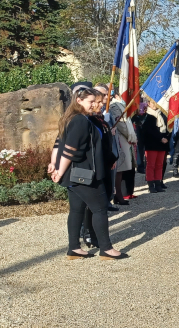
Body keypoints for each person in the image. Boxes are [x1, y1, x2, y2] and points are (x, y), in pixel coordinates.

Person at [52, 87, 126, 260]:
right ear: (79, 101)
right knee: (100, 209)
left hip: (76, 173)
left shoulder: (73, 118)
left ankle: (74, 248)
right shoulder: (80, 120)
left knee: (77, 210)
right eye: (90, 102)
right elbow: (70, 150)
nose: (94, 105)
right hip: (84, 173)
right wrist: (59, 171)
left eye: (95, 101)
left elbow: (58, 144)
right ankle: (106, 249)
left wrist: (55, 166)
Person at [108, 90, 138, 203]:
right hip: (121, 138)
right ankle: (118, 195)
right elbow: (120, 123)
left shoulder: (121, 105)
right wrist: (130, 136)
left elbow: (128, 122)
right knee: (120, 168)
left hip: (127, 139)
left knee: (126, 168)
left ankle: (125, 193)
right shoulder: (114, 106)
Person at [140, 98, 170, 193]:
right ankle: (150, 185)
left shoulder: (161, 114)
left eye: (155, 102)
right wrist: (160, 138)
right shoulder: (147, 116)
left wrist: (166, 138)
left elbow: (167, 127)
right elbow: (149, 130)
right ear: (148, 103)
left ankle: (158, 183)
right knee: (151, 165)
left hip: (162, 143)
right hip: (151, 143)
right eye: (152, 102)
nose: (155, 104)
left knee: (159, 165)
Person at [131, 102, 148, 175]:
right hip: (137, 129)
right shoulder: (134, 103)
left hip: (144, 128)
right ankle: (140, 165)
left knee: (144, 149)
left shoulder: (145, 102)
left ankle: (145, 165)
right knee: (139, 149)